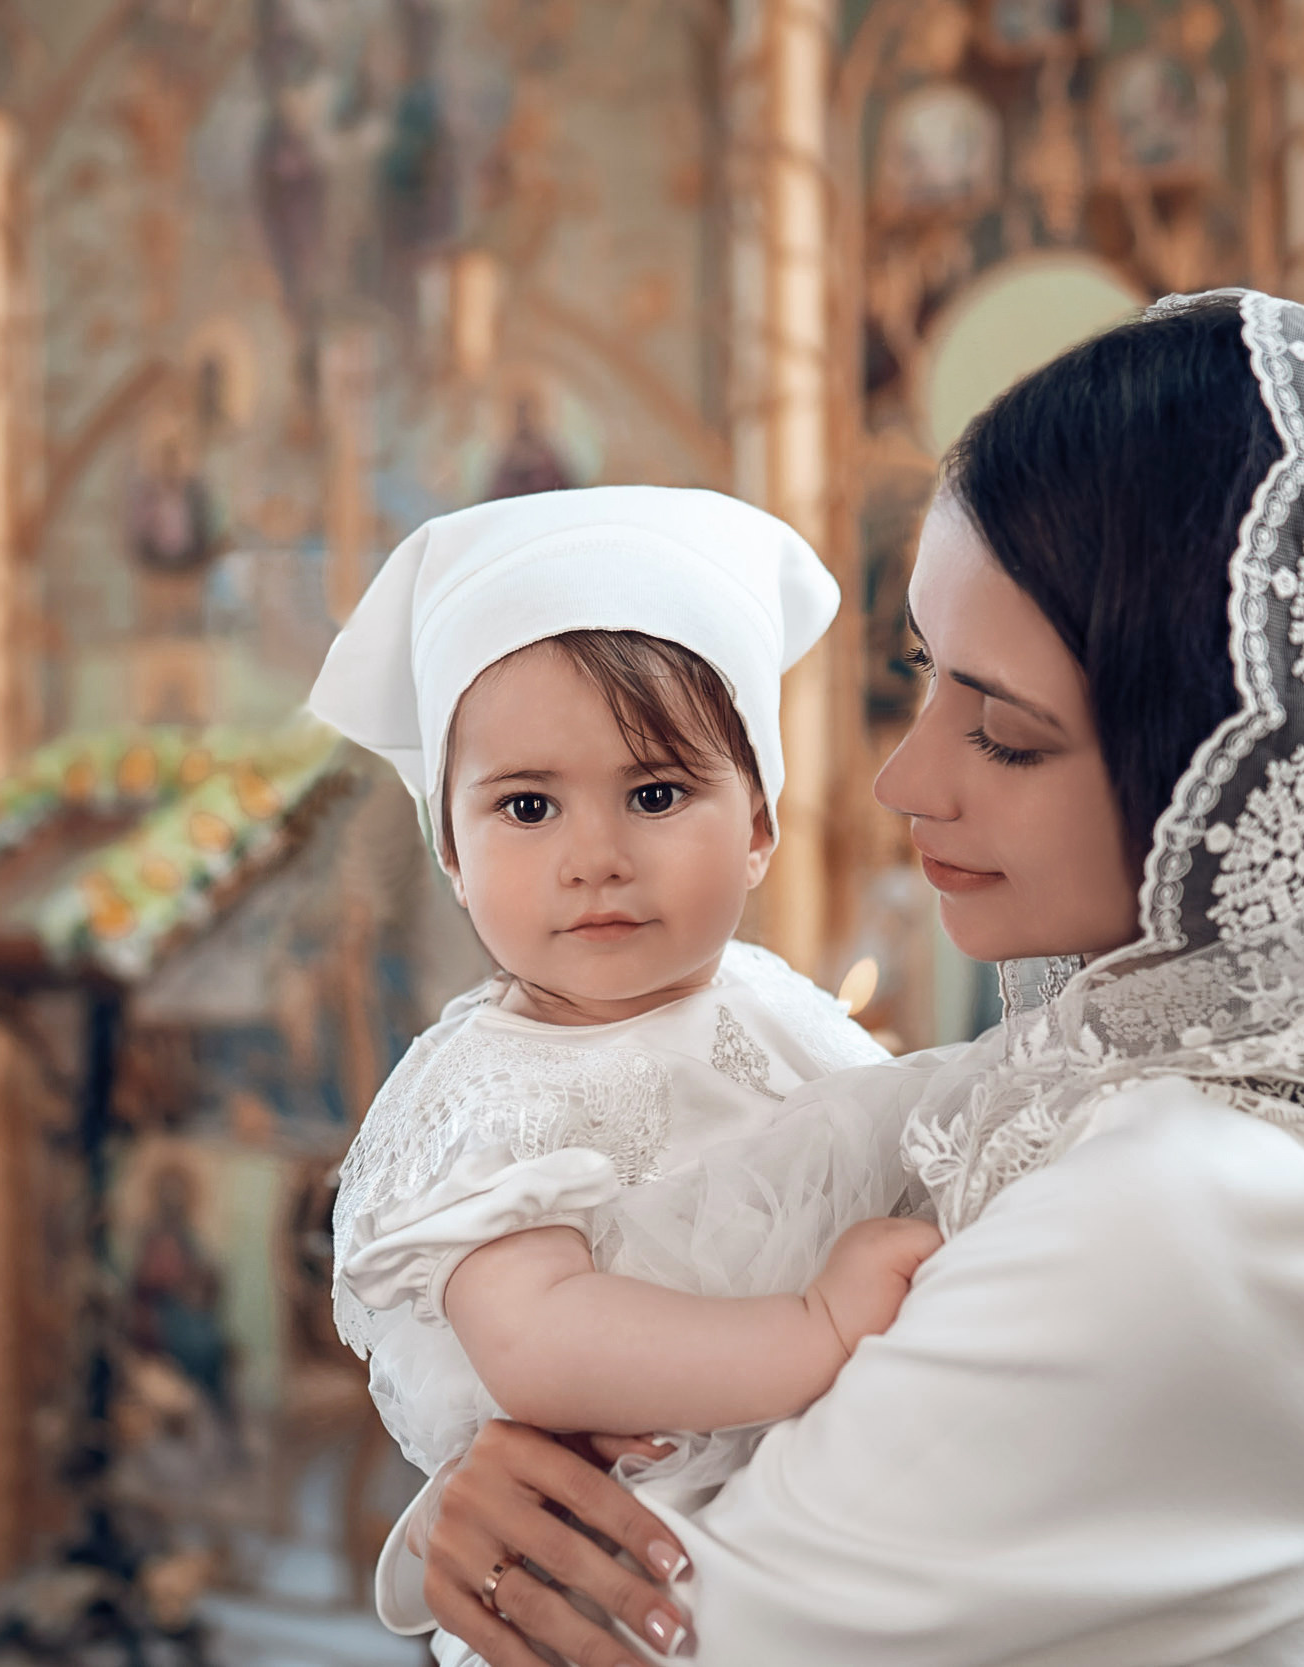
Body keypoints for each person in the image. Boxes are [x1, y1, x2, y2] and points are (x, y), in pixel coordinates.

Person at [396, 291, 1304, 1665]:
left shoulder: (1212, 1213)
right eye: (928, 677)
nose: (903, 778)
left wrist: (513, 1566)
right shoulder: (1113, 1104)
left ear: (1235, 769)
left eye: (1007, 734)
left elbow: (666, 1640)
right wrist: (510, 1487)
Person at [310, 487, 938, 1665]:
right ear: (450, 848)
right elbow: (538, 1339)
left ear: (757, 820)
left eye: (655, 794)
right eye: (527, 806)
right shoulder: (488, 1090)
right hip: (619, 1576)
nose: (593, 857)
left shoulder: (776, 1008)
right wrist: (809, 1326)